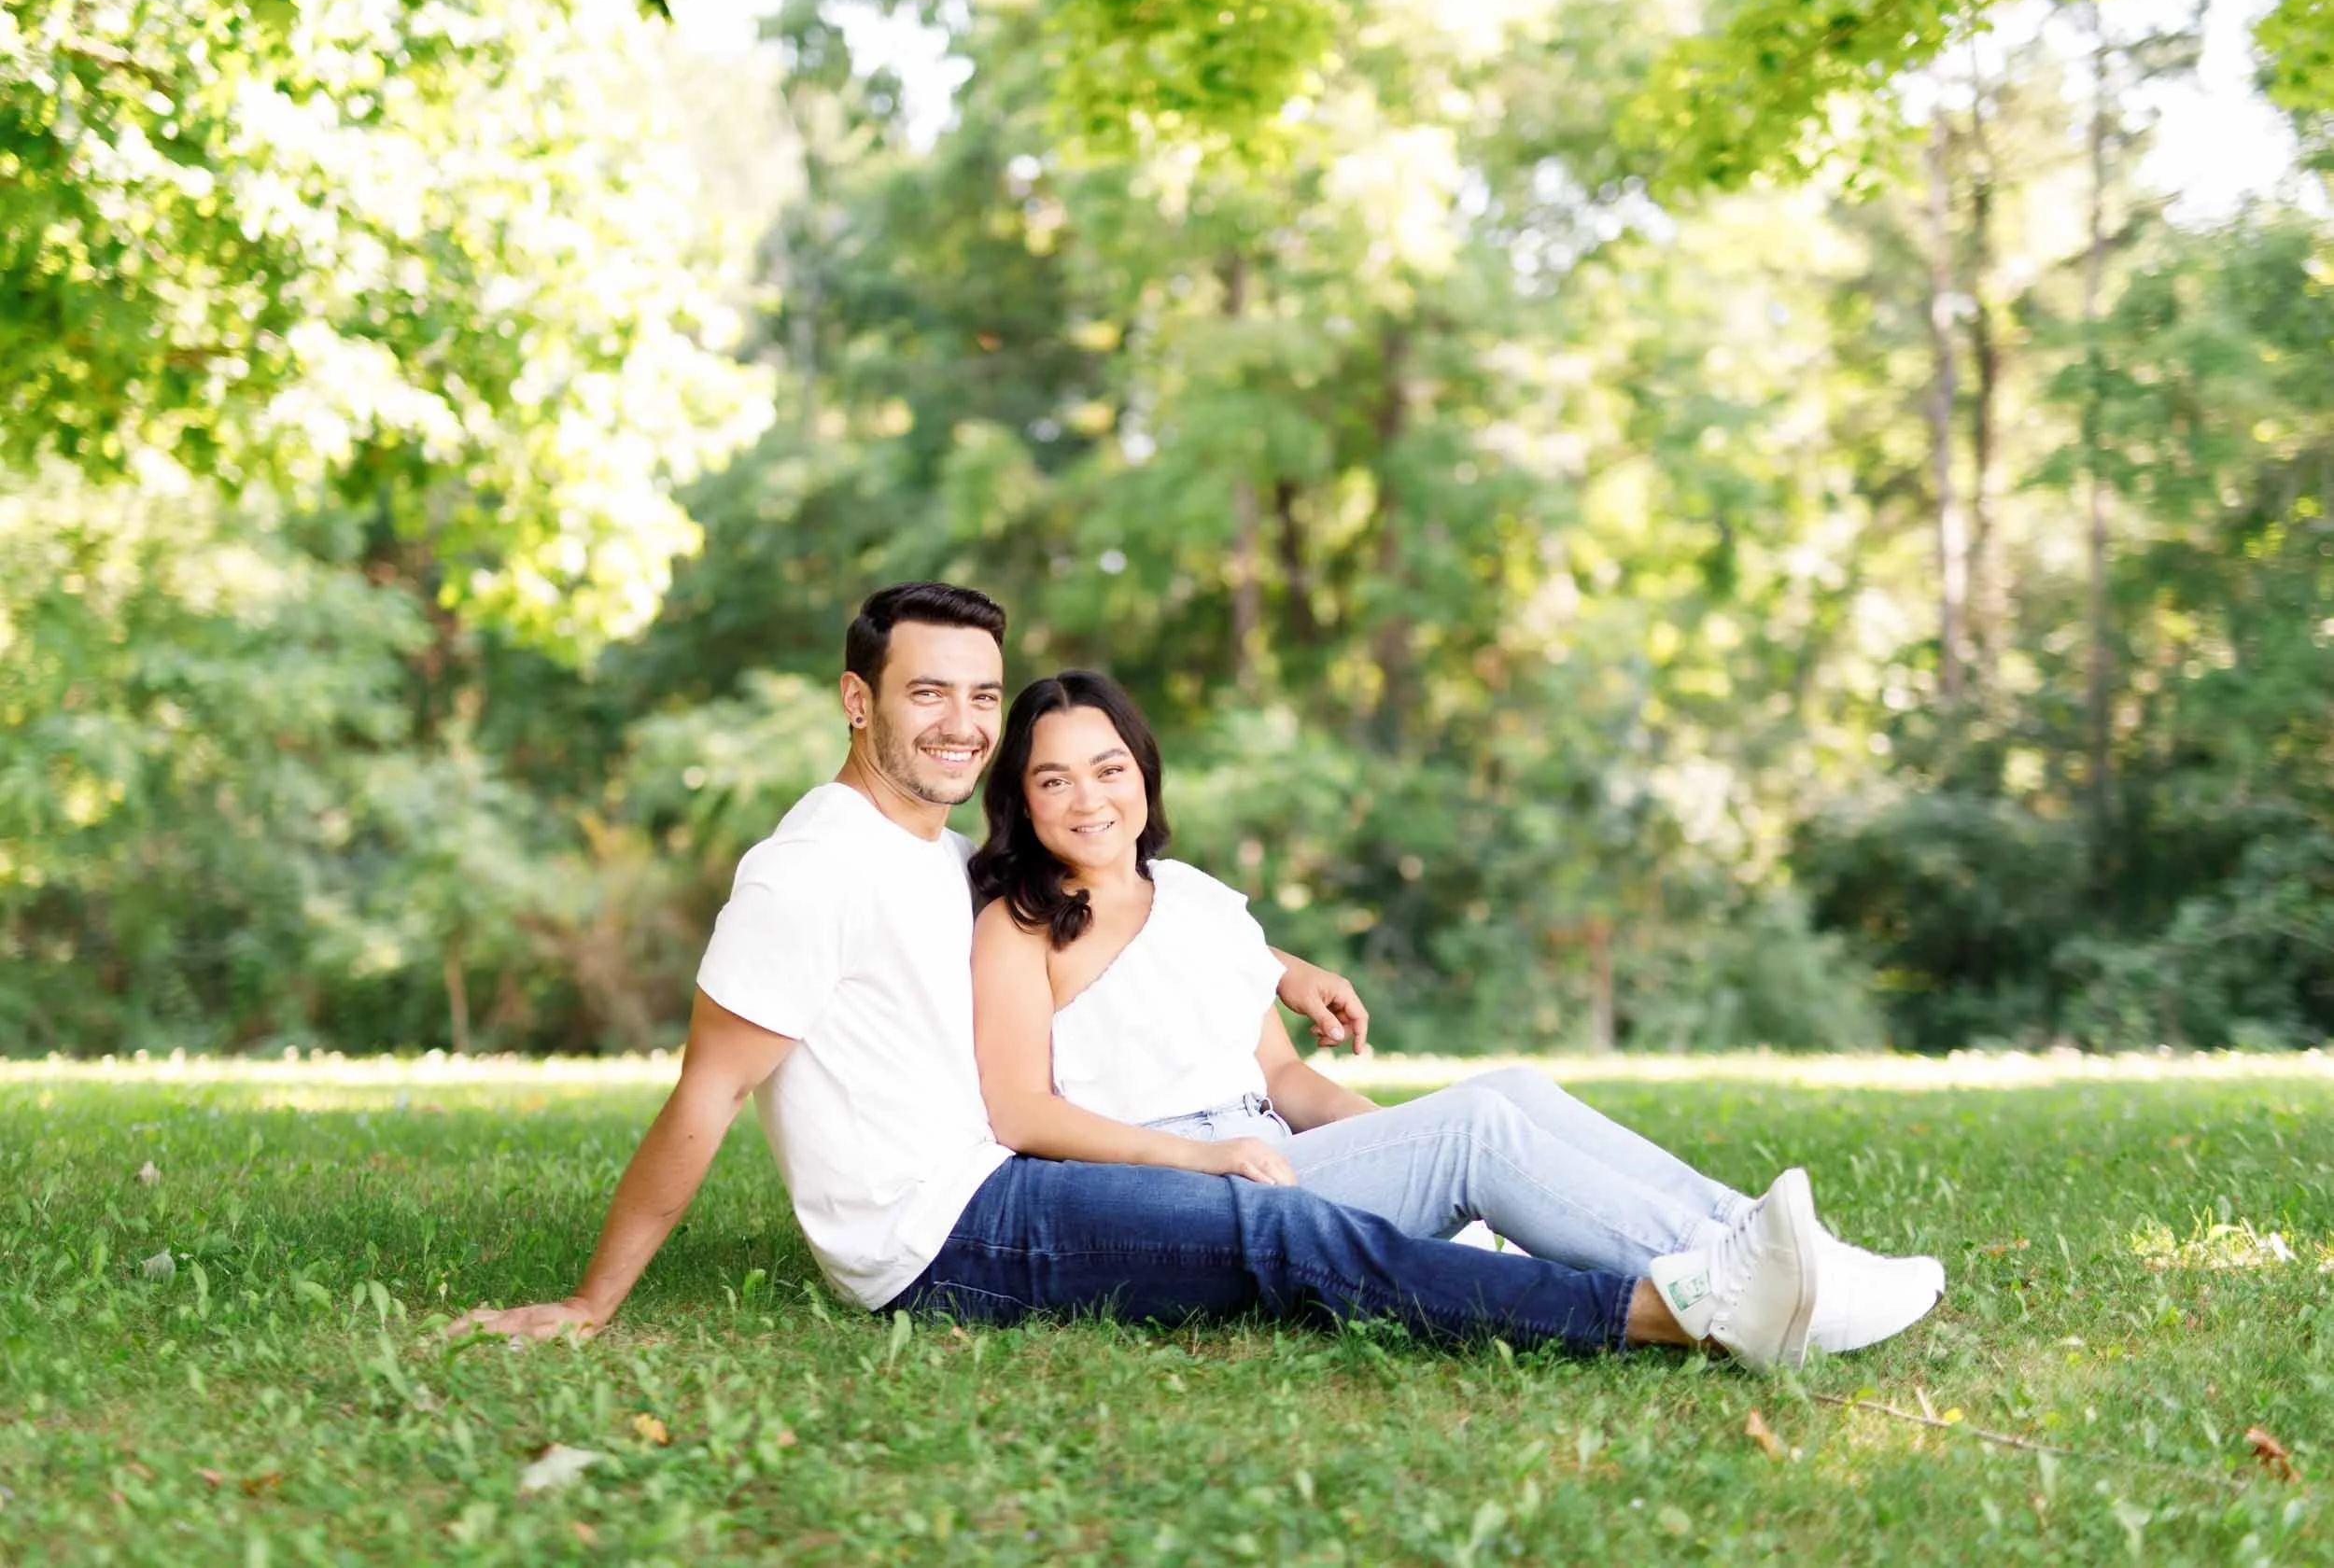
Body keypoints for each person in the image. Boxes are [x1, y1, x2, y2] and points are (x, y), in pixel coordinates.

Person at [457, 582, 1834, 1370]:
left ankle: (1761, 1258)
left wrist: (1272, 960)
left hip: (1015, 1189)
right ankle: (1669, 1312)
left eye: (980, 697)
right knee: (1281, 1230)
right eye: (927, 692)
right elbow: (703, 1100)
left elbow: (1095, 918)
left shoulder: (931, 854)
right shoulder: (806, 869)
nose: (962, 724)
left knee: (1346, 1174)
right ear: (858, 698)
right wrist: (591, 1304)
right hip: (941, 1242)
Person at [966, 670, 1945, 1356]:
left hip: (1270, 1147)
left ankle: (1772, 1245)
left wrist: (1396, 1140)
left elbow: (1283, 1079)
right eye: (1053, 778)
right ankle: (1741, 1282)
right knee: (1474, 1129)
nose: (1087, 798)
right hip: (1186, 1189)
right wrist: (1204, 1159)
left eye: (1108, 768)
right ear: (1022, 796)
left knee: (1504, 1092)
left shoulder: (1193, 894)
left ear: (1143, 771)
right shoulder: (1019, 925)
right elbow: (1020, 1112)